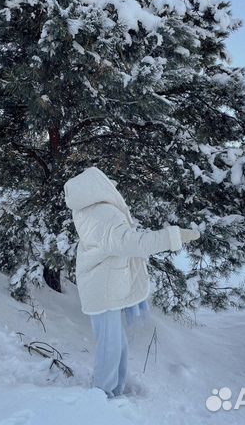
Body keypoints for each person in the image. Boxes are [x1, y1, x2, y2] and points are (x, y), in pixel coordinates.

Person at [63, 166, 200, 398]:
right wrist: (173, 236)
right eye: (109, 182)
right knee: (111, 346)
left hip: (102, 284)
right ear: (99, 187)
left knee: (116, 343)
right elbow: (131, 242)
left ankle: (114, 389)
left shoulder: (88, 210)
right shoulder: (104, 214)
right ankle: (101, 395)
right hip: (103, 288)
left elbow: (121, 241)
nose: (114, 186)